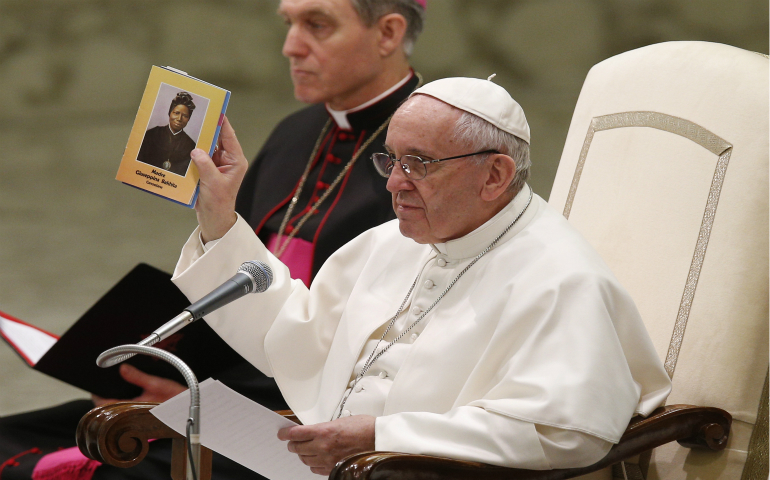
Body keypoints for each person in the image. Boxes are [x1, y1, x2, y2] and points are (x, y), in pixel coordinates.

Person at [0, 0, 427, 479]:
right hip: (215, 386)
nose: (290, 46)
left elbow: (381, 357)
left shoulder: (424, 165)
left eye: (317, 25)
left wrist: (203, 401)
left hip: (302, 426)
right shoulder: (297, 133)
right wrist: (164, 373)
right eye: (289, 24)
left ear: (388, 32)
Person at [172, 76, 673, 475]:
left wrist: (380, 438)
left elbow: (564, 432)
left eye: (418, 164)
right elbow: (294, 333)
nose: (392, 183)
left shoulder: (562, 280)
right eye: (391, 159)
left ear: (495, 176)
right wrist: (219, 219)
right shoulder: (390, 242)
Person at [137, 91, 197, 176]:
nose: (179, 119)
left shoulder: (191, 146)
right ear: (170, 113)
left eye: (185, 116)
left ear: (188, 119)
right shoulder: (151, 134)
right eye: (176, 113)